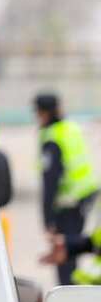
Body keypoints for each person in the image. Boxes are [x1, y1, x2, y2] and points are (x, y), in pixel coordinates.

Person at [34, 92, 98, 285]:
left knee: (64, 250)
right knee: (72, 245)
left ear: (43, 113)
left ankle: (67, 292)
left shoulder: (52, 138)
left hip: (69, 201)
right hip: (84, 194)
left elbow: (50, 181)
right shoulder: (69, 127)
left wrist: (48, 219)